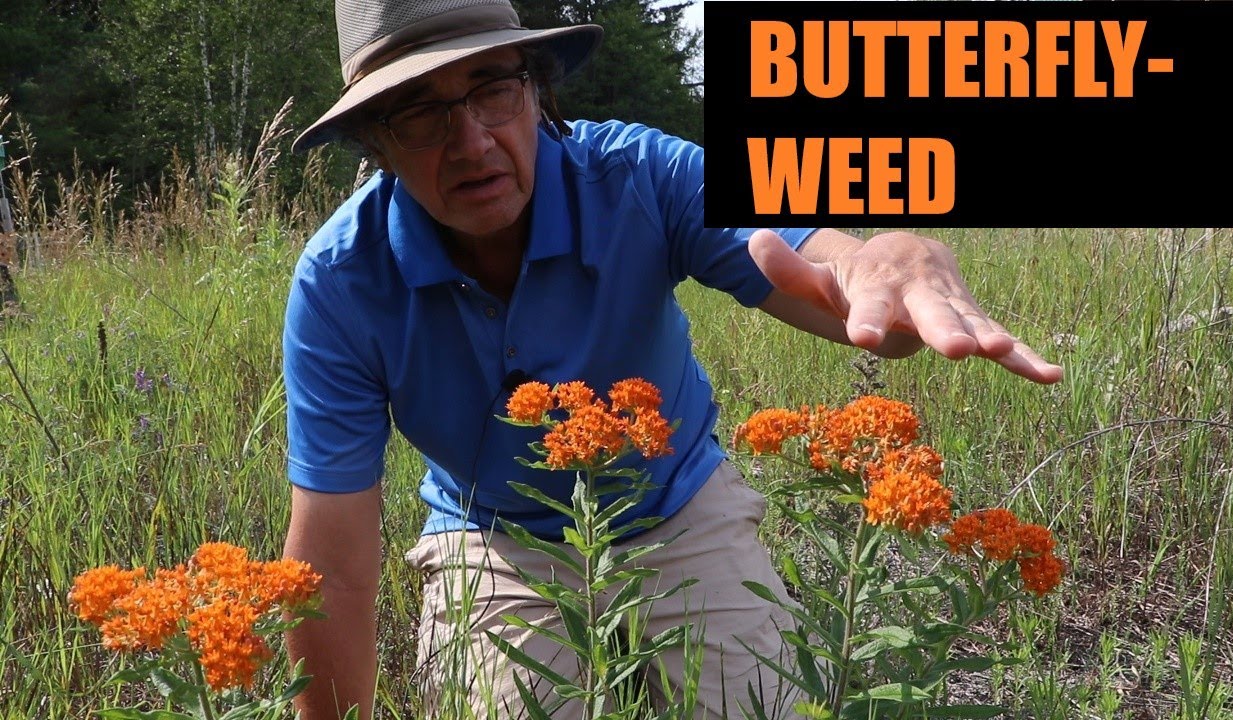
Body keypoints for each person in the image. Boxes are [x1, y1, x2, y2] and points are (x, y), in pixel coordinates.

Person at [279, 1, 1064, 719]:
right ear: (376, 142)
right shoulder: (342, 284)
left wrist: (886, 257)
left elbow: (832, 282)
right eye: (420, 113)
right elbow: (335, 572)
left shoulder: (640, 176)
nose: (472, 141)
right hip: (498, 537)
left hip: (679, 505)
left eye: (493, 89)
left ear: (538, 90)